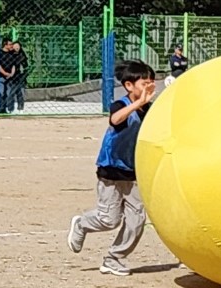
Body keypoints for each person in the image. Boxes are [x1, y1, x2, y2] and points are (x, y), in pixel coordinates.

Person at [67, 60, 157, 277]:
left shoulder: (152, 110)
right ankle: (82, 224)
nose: (150, 87)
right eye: (145, 83)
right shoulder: (121, 105)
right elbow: (116, 119)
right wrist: (138, 104)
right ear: (129, 86)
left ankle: (113, 258)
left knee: (137, 220)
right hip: (111, 170)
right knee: (109, 219)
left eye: (152, 83)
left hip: (134, 171)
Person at [0, 39, 18, 114]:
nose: (11, 46)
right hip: (1, 76)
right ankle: (1, 109)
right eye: (10, 44)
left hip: (10, 77)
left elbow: (14, 65)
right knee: (1, 93)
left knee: (9, 93)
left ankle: (10, 109)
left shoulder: (12, 54)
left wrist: (12, 73)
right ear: (5, 45)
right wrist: (5, 73)